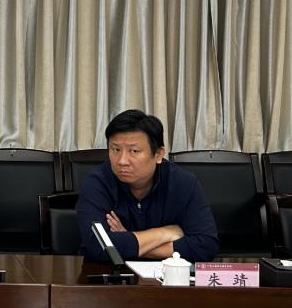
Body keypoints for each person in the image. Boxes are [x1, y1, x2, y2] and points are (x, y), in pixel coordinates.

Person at [76, 109, 218, 263]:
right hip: (107, 274)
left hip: (167, 275)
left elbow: (206, 246)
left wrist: (127, 239)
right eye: (115, 150)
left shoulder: (183, 183)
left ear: (158, 154)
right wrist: (163, 233)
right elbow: (98, 247)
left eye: (134, 151)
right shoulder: (97, 183)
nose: (122, 161)